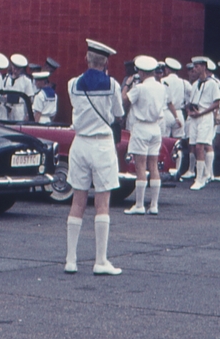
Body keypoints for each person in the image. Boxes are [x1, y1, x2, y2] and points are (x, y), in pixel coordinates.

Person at [64, 39, 125, 275]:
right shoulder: (113, 85)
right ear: (106, 62)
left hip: (80, 143)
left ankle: (71, 260)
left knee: (77, 201)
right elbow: (118, 114)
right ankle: (100, 261)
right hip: (102, 144)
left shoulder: (72, 84)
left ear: (86, 59)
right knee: (102, 203)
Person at [122, 55, 168, 215]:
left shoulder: (140, 88)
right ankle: (154, 205)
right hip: (156, 127)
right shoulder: (161, 87)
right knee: (153, 165)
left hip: (141, 127)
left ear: (141, 72)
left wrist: (127, 85)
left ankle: (140, 205)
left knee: (140, 166)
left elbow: (124, 100)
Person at [187, 58, 220, 190]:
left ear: (203, 67)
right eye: (194, 66)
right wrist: (190, 111)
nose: (194, 69)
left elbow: (217, 103)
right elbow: (191, 101)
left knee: (200, 145)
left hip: (205, 116)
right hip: (194, 117)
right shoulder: (195, 84)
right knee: (195, 145)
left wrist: (202, 112)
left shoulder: (212, 84)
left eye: (197, 66)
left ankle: (199, 178)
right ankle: (206, 173)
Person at [7, 54, 35, 121]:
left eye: (18, 69)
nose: (15, 71)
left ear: (21, 69)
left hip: (19, 108)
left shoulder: (26, 81)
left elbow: (30, 99)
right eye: (14, 68)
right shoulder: (6, 78)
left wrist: (28, 114)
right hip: (7, 109)